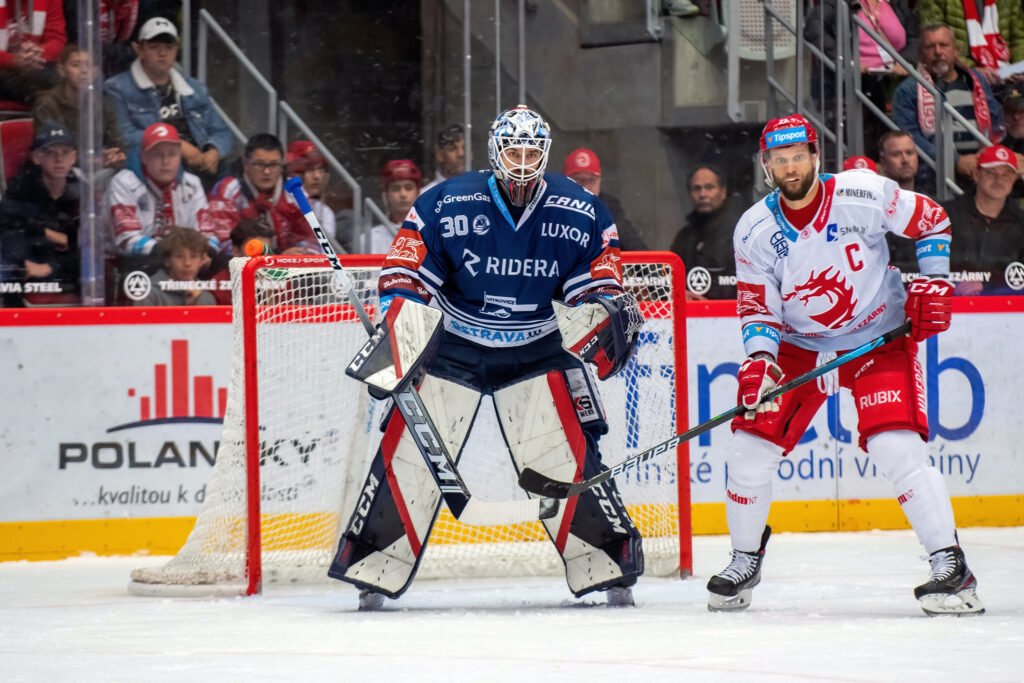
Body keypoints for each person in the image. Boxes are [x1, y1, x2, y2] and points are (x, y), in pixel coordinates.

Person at [330, 105, 645, 610]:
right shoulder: (445, 202)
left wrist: (604, 311)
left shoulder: (581, 209)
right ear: (495, 153)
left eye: (531, 152)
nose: (522, 162)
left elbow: (600, 281)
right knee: (410, 450)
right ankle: (374, 565)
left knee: (563, 453)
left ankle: (607, 564)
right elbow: (404, 275)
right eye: (513, 151)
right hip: (455, 344)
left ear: (545, 155)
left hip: (539, 347)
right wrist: (399, 332)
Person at [709, 114, 984, 617]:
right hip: (797, 347)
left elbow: (931, 221)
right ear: (766, 165)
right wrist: (760, 363)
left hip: (877, 337)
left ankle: (951, 565)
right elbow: (757, 307)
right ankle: (744, 559)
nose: (790, 168)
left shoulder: (862, 193)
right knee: (747, 451)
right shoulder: (753, 228)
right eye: (779, 160)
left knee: (895, 445)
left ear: (815, 155)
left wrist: (937, 281)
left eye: (798, 156)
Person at [105, 17, 232, 188]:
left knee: (240, 174)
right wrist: (177, 145)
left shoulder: (194, 88)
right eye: (154, 47)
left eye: (168, 47)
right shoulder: (117, 88)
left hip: (199, 163)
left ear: (176, 51)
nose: (162, 53)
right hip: (154, 166)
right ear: (139, 49)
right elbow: (123, 135)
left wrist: (214, 151)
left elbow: (221, 130)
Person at [892, 23, 1003, 187]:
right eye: (930, 47)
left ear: (955, 50)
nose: (938, 52)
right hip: (934, 174)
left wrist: (988, 157)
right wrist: (956, 161)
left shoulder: (977, 81)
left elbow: (995, 122)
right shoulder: (908, 90)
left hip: (982, 168)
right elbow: (909, 139)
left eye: (944, 45)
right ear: (921, 54)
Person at [104, 122, 219, 266]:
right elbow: (126, 239)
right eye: (157, 154)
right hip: (127, 264)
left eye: (172, 154)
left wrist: (206, 252)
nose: (166, 161)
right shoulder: (123, 183)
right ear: (144, 157)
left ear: (179, 156)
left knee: (221, 263)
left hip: (182, 261)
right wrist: (170, 253)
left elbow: (208, 234)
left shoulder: (192, 184)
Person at [0, 123, 79, 306]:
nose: (59, 159)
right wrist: (48, 234)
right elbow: (9, 230)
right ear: (37, 157)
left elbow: (88, 246)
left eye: (65, 152)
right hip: (27, 268)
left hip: (66, 272)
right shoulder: (21, 189)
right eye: (51, 152)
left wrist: (50, 267)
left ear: (74, 157)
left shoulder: (84, 192)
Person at [207, 133, 317, 255]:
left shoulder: (295, 191)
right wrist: (277, 259)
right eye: (259, 164)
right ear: (246, 164)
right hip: (238, 268)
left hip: (288, 268)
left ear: (282, 165)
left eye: (274, 165)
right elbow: (226, 246)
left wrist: (302, 254)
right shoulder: (227, 189)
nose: (267, 171)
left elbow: (311, 238)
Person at [942, 144, 1024, 294]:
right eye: (990, 173)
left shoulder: (1021, 222)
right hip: (951, 305)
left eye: (1006, 174)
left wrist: (993, 288)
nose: (998, 180)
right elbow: (927, 263)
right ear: (976, 175)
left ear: (1014, 178)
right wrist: (953, 284)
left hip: (1006, 309)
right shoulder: (947, 214)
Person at [32, 43, 126, 169]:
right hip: (61, 172)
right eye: (76, 65)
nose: (84, 71)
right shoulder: (47, 103)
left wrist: (115, 155)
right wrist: (93, 160)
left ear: (96, 71)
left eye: (89, 65)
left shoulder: (103, 103)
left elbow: (118, 141)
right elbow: (51, 152)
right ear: (62, 70)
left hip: (98, 170)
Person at [669, 164, 740, 300]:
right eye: (697, 188)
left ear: (723, 192)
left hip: (731, 316)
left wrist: (711, 303)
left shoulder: (739, 232)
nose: (702, 194)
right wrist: (680, 295)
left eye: (709, 187)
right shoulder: (683, 236)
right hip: (688, 317)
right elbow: (670, 280)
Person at [917, 0, 1024, 84]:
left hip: (1008, 73)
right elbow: (933, 44)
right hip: (961, 75)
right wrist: (973, 70)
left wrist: (1018, 69)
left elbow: (1019, 38)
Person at [562, 148, 647, 250]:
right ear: (564, 180)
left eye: (591, 180)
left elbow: (634, 245)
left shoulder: (609, 207)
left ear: (599, 181)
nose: (585, 187)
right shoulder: (549, 206)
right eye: (578, 180)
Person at [0, 0, 64, 104]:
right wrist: (12, 59)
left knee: (62, 74)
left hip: (36, 67)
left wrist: (36, 54)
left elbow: (57, 40)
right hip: (3, 68)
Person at [134, 226, 216, 306]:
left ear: (202, 260)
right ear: (167, 260)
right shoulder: (149, 293)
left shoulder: (207, 297)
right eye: (179, 256)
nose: (187, 263)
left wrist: (196, 303)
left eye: (193, 256)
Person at [210, 218, 277, 305]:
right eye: (254, 250)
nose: (262, 257)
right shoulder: (218, 286)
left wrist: (269, 294)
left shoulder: (280, 282)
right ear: (236, 251)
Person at [285, 140, 337, 241]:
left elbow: (323, 254)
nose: (317, 176)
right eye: (310, 169)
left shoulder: (325, 213)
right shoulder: (277, 205)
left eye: (321, 170)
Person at [369, 158, 421, 254]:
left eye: (408, 188)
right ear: (385, 195)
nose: (403, 194)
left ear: (418, 193)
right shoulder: (369, 239)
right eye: (396, 189)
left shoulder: (433, 235)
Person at [420, 124, 465, 193]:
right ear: (439, 154)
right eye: (452, 148)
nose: (461, 154)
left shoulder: (482, 191)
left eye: (464, 148)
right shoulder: (427, 195)